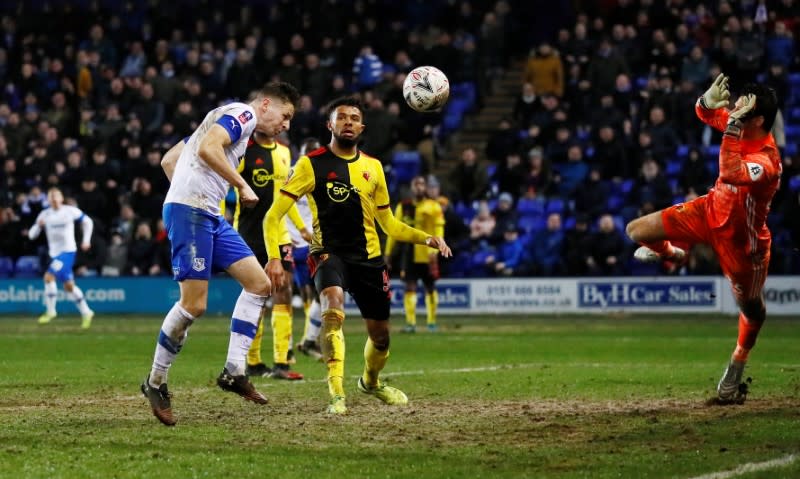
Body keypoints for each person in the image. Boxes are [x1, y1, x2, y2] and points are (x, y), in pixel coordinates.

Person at [264, 96, 451, 414]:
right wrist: (272, 257)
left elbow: (389, 224)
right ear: (330, 125)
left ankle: (371, 382)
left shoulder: (374, 168)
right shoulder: (310, 164)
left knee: (380, 337)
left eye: (354, 118)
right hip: (328, 253)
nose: (348, 122)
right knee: (332, 306)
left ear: (362, 127)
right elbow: (272, 216)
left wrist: (426, 238)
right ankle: (336, 394)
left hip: (369, 260)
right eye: (342, 117)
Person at [140, 82, 300, 426]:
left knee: (259, 284)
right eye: (285, 116)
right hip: (192, 212)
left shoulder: (220, 119)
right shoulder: (242, 113)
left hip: (207, 213)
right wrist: (240, 185)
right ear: (267, 105)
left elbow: (171, 159)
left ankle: (234, 370)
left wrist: (188, 187)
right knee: (194, 305)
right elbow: (208, 149)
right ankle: (155, 381)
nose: (285, 125)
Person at [626, 74, 781, 404]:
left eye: (742, 107)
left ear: (758, 120)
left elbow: (731, 173)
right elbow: (705, 112)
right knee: (635, 231)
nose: (735, 108)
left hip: (743, 246)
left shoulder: (767, 161)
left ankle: (737, 362)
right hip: (709, 211)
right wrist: (703, 101)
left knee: (753, 312)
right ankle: (674, 254)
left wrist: (732, 125)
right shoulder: (741, 122)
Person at [233, 127, 311, 380]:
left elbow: (284, 198)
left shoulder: (286, 153)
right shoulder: (243, 153)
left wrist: (301, 228)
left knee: (284, 291)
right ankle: (253, 362)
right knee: (256, 296)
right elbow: (225, 185)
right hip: (250, 233)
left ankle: (281, 363)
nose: (283, 124)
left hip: (280, 235)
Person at [384, 175, 445, 333]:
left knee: (430, 286)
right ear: (412, 188)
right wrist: (388, 253)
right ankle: (411, 323)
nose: (419, 187)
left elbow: (439, 229)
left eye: (422, 184)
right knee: (410, 287)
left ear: (425, 187)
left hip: (428, 253)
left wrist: (436, 248)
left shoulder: (434, 206)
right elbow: (394, 231)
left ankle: (431, 322)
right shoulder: (402, 207)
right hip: (409, 252)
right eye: (416, 184)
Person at [27, 187, 95, 329]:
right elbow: (31, 235)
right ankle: (87, 312)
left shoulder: (69, 211)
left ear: (61, 198)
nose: (54, 199)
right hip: (55, 255)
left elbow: (88, 221)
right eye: (51, 197)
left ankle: (51, 311)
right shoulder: (44, 214)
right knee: (69, 286)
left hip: (68, 252)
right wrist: (38, 227)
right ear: (48, 200)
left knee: (48, 277)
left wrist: (86, 240)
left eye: (57, 196)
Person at [289, 138, 324, 361]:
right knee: (308, 294)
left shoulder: (322, 173)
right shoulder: (293, 173)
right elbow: (282, 204)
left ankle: (308, 339)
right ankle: (301, 342)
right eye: (310, 151)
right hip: (298, 243)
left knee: (317, 293)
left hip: (315, 241)